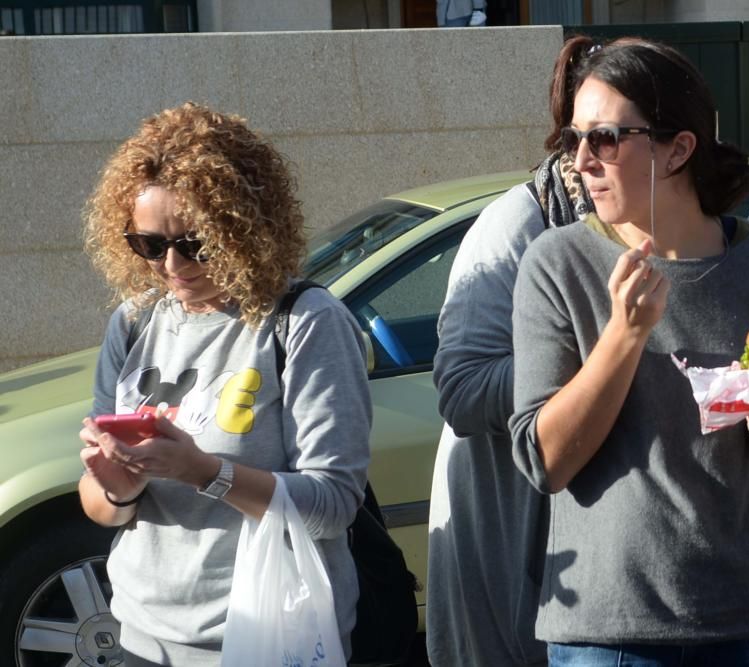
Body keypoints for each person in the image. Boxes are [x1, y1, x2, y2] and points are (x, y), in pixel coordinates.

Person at [509, 38, 749, 666]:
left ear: (679, 148)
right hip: (613, 630)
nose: (582, 161)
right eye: (575, 139)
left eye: (607, 138)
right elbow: (545, 462)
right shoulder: (558, 263)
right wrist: (624, 333)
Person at [77, 102, 372, 666]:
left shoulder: (302, 321)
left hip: (270, 635)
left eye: (195, 244)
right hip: (142, 636)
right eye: (149, 244)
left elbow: (333, 505)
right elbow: (99, 505)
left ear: (244, 229)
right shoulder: (135, 321)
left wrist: (204, 473)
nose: (171, 266)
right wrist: (119, 487)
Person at [427, 34, 595, 667]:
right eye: (596, 134)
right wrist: (588, 358)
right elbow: (463, 391)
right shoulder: (519, 226)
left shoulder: (677, 226)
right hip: (515, 526)